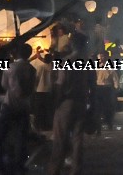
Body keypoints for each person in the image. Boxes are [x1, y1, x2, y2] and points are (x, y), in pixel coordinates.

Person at [48, 32, 91, 175]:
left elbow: (60, 85)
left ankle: (55, 169)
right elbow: (92, 84)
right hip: (82, 101)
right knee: (78, 138)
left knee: (60, 138)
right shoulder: (87, 61)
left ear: (73, 43)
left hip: (67, 102)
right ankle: (76, 169)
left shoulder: (67, 61)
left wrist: (56, 102)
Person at [0, 43, 36, 175]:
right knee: (21, 138)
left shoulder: (11, 67)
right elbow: (32, 88)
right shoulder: (32, 69)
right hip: (24, 107)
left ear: (17, 53)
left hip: (10, 105)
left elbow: (4, 85)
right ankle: (19, 166)